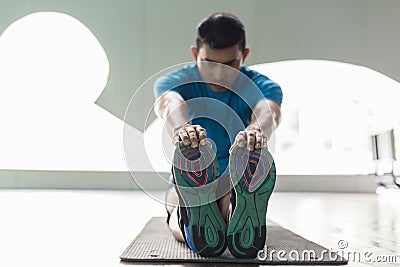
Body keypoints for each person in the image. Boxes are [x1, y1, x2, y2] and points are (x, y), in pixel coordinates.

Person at [153, 12, 282, 258]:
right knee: (181, 200)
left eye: (230, 64)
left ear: (244, 56)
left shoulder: (261, 85)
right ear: (195, 54)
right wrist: (182, 131)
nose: (219, 74)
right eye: (210, 63)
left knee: (192, 204)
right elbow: (169, 103)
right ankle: (219, 219)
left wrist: (256, 130)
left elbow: (269, 111)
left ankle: (212, 220)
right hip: (192, 176)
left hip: (233, 178)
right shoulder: (178, 80)